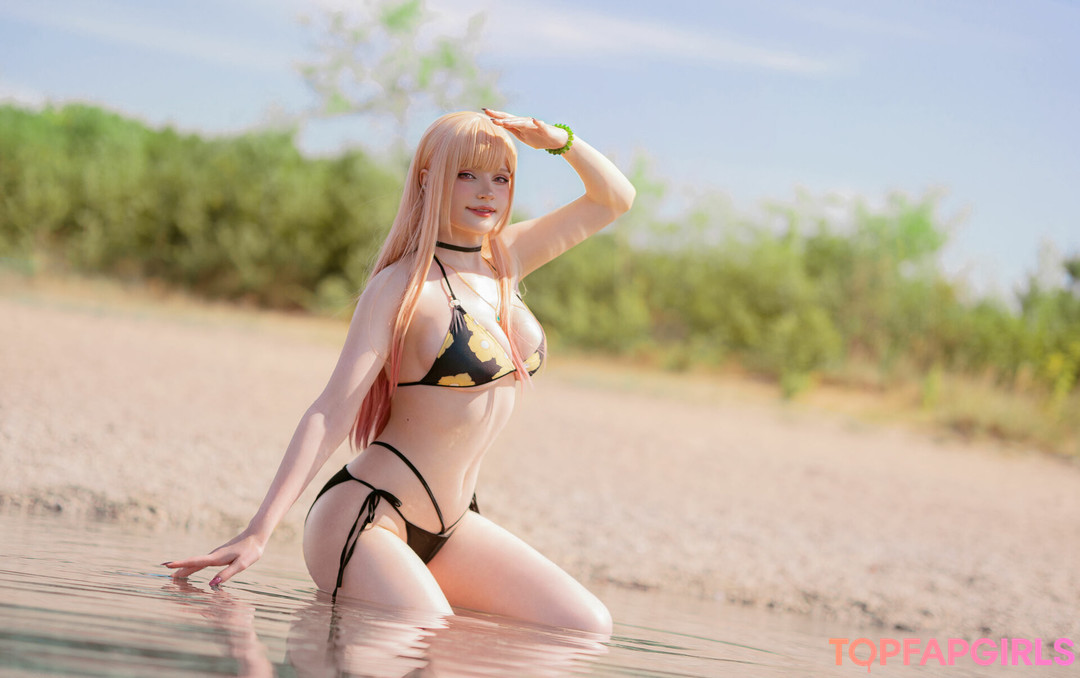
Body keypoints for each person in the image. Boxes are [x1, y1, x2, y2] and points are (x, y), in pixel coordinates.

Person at [165, 109, 635, 635]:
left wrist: (558, 141)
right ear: (429, 179)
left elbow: (614, 200)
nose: (487, 191)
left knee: (585, 627)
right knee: (426, 634)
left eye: (501, 178)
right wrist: (258, 530)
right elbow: (331, 410)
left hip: (455, 523)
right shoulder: (399, 286)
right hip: (368, 518)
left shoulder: (504, 260)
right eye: (467, 174)